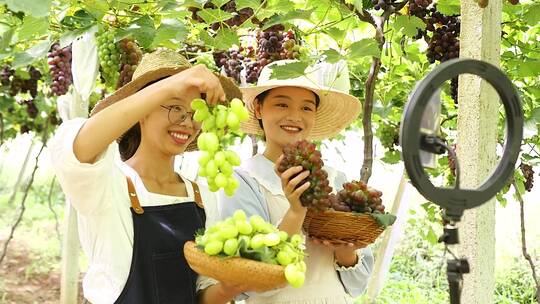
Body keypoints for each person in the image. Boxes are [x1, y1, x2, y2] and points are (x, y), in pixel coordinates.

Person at [50, 49, 246, 304]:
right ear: (142, 109)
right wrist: (174, 84)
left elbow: (201, 293)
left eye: (196, 112)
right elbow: (74, 149)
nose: (187, 122)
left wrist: (228, 287)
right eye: (175, 107)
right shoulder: (109, 184)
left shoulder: (200, 195)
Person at [216, 60, 374, 303]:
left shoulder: (335, 179)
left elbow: (357, 285)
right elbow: (247, 281)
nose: (294, 117)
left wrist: (345, 249)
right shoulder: (242, 181)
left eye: (307, 108)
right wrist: (295, 212)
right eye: (281, 104)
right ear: (258, 109)